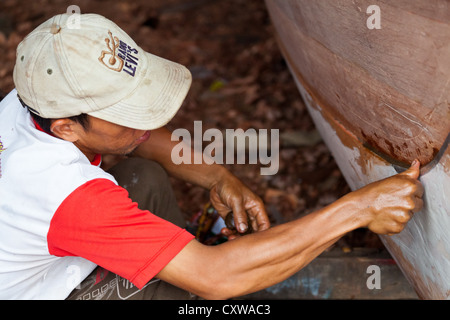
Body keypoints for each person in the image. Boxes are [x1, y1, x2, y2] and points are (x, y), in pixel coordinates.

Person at [0, 13, 423, 300]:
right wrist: (356, 210)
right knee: (212, 286)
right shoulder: (64, 193)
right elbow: (216, 278)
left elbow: (140, 138)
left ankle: (170, 263)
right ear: (66, 127)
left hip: (44, 253)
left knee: (142, 176)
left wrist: (218, 177)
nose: (143, 124)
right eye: (125, 116)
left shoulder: (32, 99)